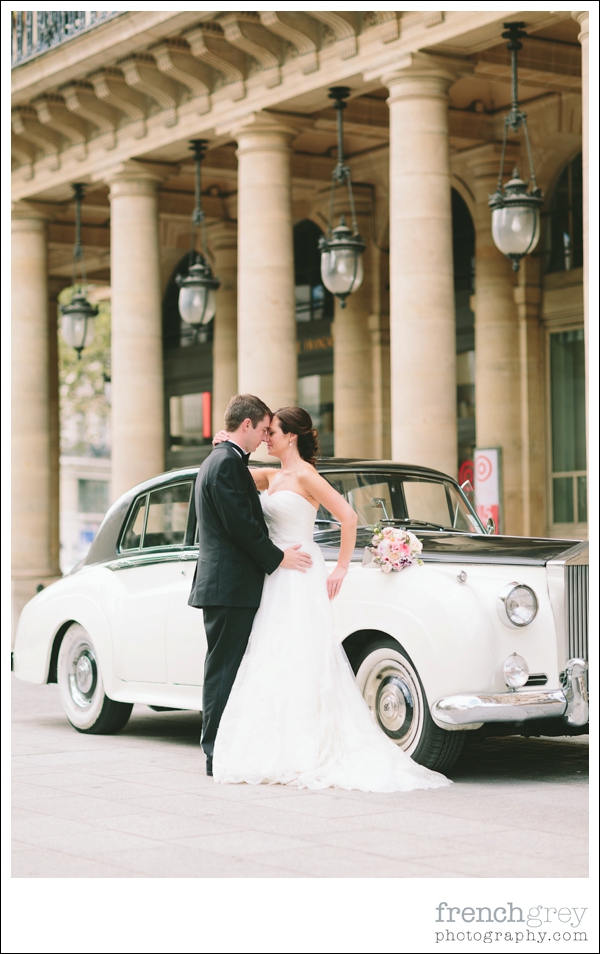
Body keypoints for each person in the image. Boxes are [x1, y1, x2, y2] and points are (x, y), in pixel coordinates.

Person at [210, 406, 451, 792]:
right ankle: (279, 745)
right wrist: (226, 442)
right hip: (277, 576)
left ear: (291, 436)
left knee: (304, 653)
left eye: (272, 431)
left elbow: (349, 517)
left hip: (302, 572)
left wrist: (340, 567)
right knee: (275, 655)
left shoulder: (306, 475)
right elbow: (232, 473)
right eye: (264, 431)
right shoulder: (273, 475)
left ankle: (310, 747)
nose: (266, 437)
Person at [188, 394, 313, 777]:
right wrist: (279, 558)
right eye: (261, 429)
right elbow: (241, 525)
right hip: (229, 586)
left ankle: (223, 747)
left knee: (226, 669)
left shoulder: (223, 460)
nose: (263, 437)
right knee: (225, 671)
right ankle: (216, 752)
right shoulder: (226, 463)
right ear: (247, 426)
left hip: (227, 584)